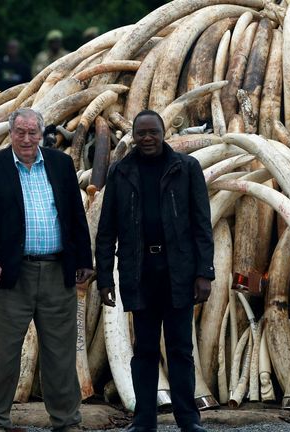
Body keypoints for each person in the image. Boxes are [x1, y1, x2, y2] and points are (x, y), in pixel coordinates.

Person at [0, 108, 94, 432]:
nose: (26, 139)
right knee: (3, 355)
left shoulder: (60, 164)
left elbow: (75, 216)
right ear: (10, 133)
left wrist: (83, 260)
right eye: (20, 132)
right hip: (10, 276)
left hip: (56, 273)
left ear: (41, 134)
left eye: (32, 132)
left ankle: (66, 422)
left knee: (60, 354)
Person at [96, 110, 214, 432]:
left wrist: (205, 272)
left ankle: (189, 420)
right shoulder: (121, 172)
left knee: (180, 350)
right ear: (133, 136)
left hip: (179, 274)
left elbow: (202, 225)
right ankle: (143, 420)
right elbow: (107, 231)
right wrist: (105, 278)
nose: (147, 138)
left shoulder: (186, 169)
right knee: (144, 350)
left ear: (164, 134)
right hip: (140, 275)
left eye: (153, 132)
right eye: (141, 133)